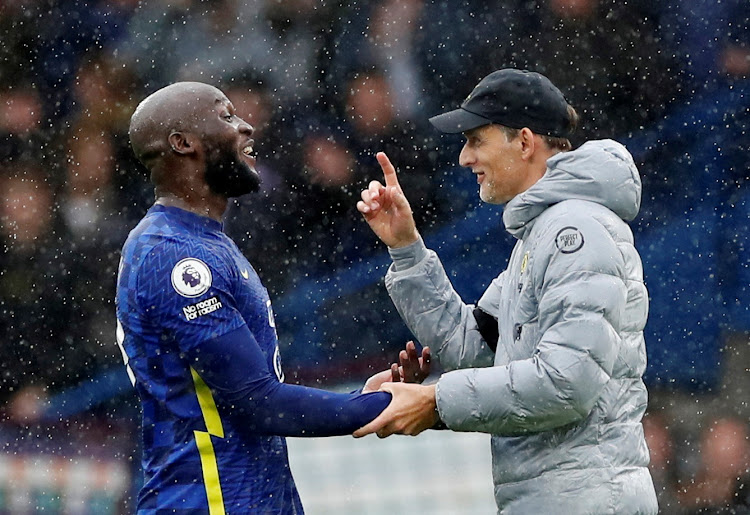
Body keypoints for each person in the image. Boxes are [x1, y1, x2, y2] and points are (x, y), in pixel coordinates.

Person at [354, 69, 658, 513]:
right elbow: (470, 347)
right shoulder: (543, 234)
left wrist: (435, 402)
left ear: (525, 142)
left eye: (476, 140)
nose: (463, 157)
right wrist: (406, 249)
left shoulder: (573, 230)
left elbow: (566, 383)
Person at [116, 81, 421, 514]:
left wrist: (363, 398)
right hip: (209, 501)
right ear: (183, 143)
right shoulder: (174, 254)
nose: (247, 127)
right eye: (226, 116)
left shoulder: (205, 242)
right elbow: (258, 404)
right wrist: (389, 405)